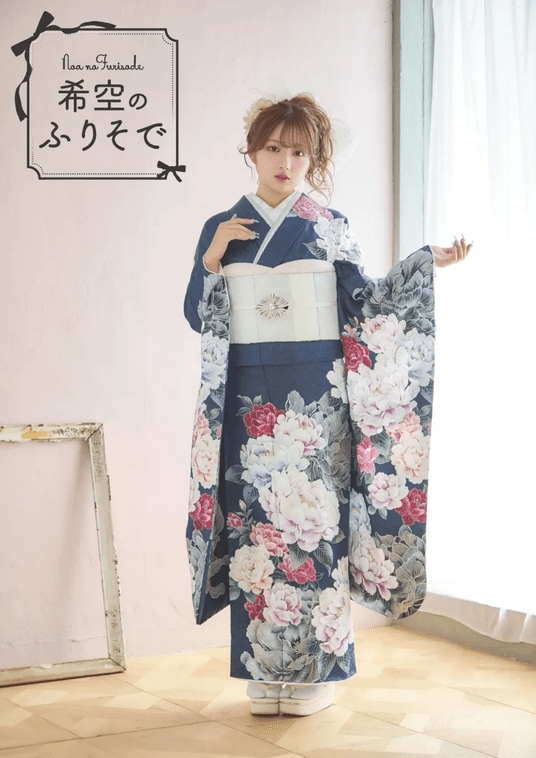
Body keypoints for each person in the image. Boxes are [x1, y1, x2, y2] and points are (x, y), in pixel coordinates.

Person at [183, 94, 470, 717]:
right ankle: (264, 670)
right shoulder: (221, 226)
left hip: (316, 400)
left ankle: (316, 673)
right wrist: (211, 260)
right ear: (251, 151)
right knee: (257, 529)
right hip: (247, 401)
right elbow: (195, 317)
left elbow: (366, 307)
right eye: (273, 148)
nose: (285, 162)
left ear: (313, 158)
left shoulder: (329, 225)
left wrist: (424, 264)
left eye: (298, 152)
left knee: (314, 525)